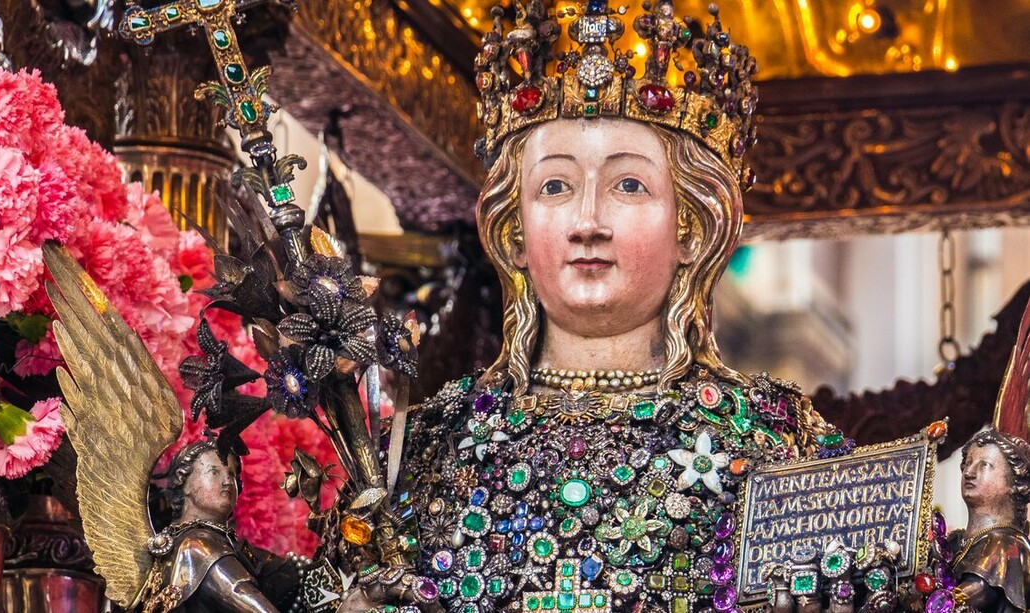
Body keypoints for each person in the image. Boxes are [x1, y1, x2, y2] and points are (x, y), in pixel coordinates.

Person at [338, 1, 845, 611]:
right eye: (555, 186)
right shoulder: (427, 450)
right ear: (515, 231)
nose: (587, 222)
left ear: (691, 226)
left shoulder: (777, 446)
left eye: (629, 184)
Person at [136, 440, 301, 612]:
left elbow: (290, 579)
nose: (227, 481)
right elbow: (248, 599)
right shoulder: (196, 546)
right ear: (185, 484)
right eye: (214, 472)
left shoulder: (231, 544)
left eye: (231, 474)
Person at [949, 429, 1030, 613]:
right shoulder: (954, 542)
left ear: (1014, 483)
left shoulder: (1006, 543)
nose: (968, 472)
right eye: (967, 463)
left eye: (984, 465)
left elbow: (971, 595)